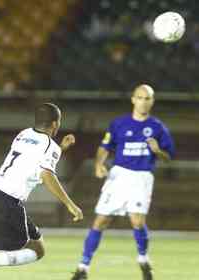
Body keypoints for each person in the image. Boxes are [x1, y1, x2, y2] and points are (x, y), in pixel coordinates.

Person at [0, 102, 84, 280]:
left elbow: (32, 157)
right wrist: (70, 204)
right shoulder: (49, 146)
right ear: (56, 124)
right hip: (7, 205)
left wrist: (60, 148)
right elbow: (47, 174)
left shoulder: (23, 134)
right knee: (37, 250)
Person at [70, 84, 175, 280]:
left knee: (137, 221)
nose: (143, 102)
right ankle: (82, 267)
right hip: (118, 176)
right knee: (101, 221)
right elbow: (105, 147)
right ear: (133, 99)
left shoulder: (158, 127)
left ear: (152, 102)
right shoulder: (119, 124)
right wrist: (99, 165)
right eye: (140, 97)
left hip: (142, 176)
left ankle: (143, 260)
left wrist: (158, 151)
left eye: (147, 98)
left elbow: (169, 157)